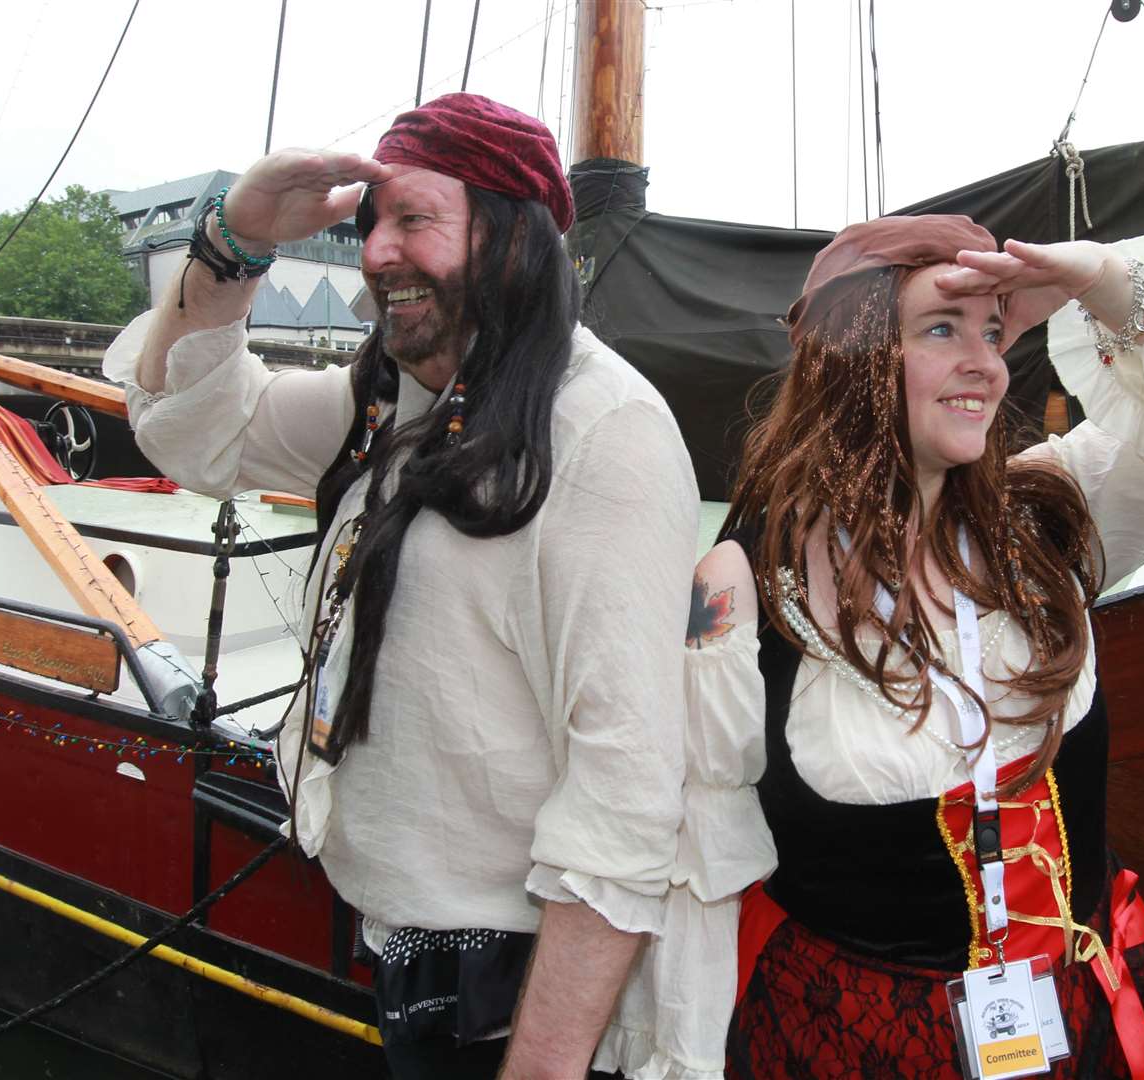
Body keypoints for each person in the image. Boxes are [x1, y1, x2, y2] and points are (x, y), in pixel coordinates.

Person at [629, 216, 1144, 1078]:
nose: (988, 364)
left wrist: (1101, 279)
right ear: (852, 353)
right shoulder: (746, 587)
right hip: (855, 1048)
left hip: (1079, 1028)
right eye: (942, 329)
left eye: (995, 333)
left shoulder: (1048, 514)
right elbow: (700, 873)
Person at [102, 94, 699, 1078]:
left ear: (514, 242)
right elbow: (190, 428)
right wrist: (234, 238)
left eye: (414, 219)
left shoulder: (603, 434)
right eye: (370, 223)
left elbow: (626, 799)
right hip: (399, 940)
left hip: (509, 987)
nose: (376, 252)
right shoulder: (397, 398)